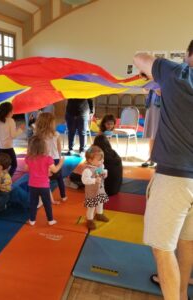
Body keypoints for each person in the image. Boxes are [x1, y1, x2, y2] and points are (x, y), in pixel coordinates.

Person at [133, 40, 193, 300]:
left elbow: (139, 57)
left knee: (162, 249)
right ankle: (181, 294)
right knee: (187, 241)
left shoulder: (177, 74)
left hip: (175, 178)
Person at [25, 135, 64, 226]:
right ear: (44, 147)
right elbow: (54, 170)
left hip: (32, 185)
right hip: (44, 186)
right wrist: (61, 163)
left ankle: (32, 220)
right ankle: (50, 220)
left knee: (33, 203)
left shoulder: (29, 158)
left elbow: (26, 169)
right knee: (47, 203)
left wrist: (37, 170)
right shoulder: (48, 158)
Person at [35, 112, 67, 203]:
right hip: (55, 158)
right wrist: (60, 156)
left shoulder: (38, 135)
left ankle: (48, 197)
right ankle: (63, 196)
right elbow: (59, 147)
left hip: (44, 159)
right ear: (50, 124)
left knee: (46, 179)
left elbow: (37, 148)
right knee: (59, 177)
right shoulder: (56, 134)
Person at [81, 145, 109, 230]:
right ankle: (90, 220)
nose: (102, 161)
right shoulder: (87, 170)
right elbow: (84, 180)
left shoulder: (100, 166)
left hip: (100, 189)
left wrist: (104, 173)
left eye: (102, 159)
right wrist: (94, 180)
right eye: (99, 160)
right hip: (92, 192)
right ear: (90, 160)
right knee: (91, 207)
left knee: (100, 203)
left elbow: (102, 174)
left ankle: (99, 214)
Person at [0, 102, 24, 176]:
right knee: (14, 165)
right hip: (8, 147)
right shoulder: (11, 121)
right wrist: (21, 129)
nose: (13, 112)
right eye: (12, 110)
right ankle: (7, 179)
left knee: (2, 165)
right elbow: (13, 135)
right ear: (9, 112)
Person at [141, 89, 161, 167]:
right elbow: (144, 90)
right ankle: (151, 157)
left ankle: (160, 159)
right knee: (152, 133)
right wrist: (147, 88)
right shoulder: (152, 78)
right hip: (152, 105)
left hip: (161, 106)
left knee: (159, 133)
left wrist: (157, 89)